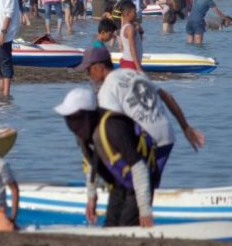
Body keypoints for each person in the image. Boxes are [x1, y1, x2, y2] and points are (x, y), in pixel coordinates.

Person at [74, 47, 205, 217]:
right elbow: (167, 97)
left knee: (129, 177)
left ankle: (129, 212)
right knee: (148, 186)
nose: (88, 76)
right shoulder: (133, 73)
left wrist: (91, 192)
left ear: (99, 67)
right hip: (167, 135)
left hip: (147, 139)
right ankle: (146, 211)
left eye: (88, 70)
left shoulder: (106, 91)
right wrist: (186, 128)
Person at [55, 87, 158, 227]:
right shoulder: (82, 133)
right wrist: (91, 197)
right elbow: (92, 163)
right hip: (119, 184)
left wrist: (144, 210)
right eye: (69, 118)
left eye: (75, 117)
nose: (72, 123)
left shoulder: (113, 127)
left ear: (88, 115)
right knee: (110, 226)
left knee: (126, 225)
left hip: (139, 183)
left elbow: (139, 167)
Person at [117, 0, 143, 72]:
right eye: (134, 12)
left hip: (129, 61)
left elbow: (138, 44)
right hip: (131, 63)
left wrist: (140, 33)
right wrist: (138, 67)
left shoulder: (125, 27)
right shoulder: (129, 28)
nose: (136, 14)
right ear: (128, 14)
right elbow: (132, 47)